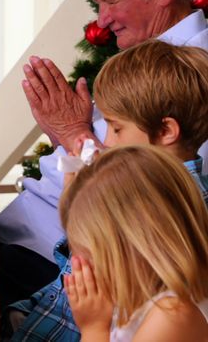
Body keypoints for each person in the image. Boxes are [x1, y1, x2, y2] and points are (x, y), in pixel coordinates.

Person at [0, 0, 208, 305]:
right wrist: (68, 134)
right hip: (36, 239)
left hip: (64, 264)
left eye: (111, 1)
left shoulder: (193, 72)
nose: (102, 20)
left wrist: (74, 134)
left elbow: (160, 197)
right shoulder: (146, 59)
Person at [8, 40, 208, 341]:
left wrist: (93, 328)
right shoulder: (145, 185)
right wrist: (75, 188)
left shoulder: (159, 200)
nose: (108, 143)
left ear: (166, 131)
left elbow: (91, 262)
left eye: (115, 128)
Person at [62, 146, 208, 341]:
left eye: (91, 259)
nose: (83, 270)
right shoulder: (139, 306)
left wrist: (93, 329)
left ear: (138, 246)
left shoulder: (173, 316)